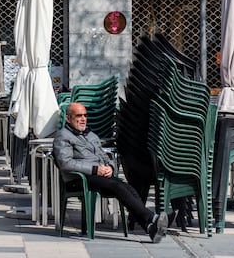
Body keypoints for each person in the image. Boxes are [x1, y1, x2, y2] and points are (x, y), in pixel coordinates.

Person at [53, 102, 177, 243]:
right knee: (117, 187)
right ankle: (153, 218)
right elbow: (65, 163)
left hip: (99, 176)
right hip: (79, 179)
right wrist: (95, 169)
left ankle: (150, 227)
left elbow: (106, 156)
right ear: (68, 118)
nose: (83, 119)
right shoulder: (63, 136)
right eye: (79, 116)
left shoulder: (91, 135)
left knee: (127, 188)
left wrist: (110, 167)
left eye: (85, 116)